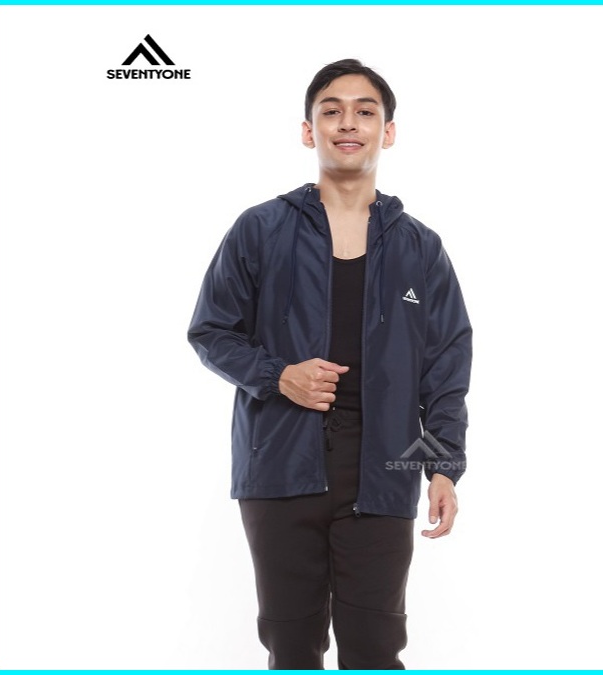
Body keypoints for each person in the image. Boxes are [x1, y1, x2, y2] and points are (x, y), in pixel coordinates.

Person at [187, 58, 472, 670]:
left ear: (387, 132)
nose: (348, 123)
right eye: (331, 111)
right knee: (291, 649)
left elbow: (446, 364)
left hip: (384, 471)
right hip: (279, 468)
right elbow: (210, 330)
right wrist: (278, 375)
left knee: (375, 649)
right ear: (307, 130)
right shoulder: (260, 229)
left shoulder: (420, 247)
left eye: (365, 112)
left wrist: (442, 466)